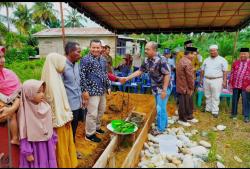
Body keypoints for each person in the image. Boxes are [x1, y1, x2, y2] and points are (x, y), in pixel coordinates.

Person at [120, 41, 171, 135]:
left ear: (154, 50)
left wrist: (164, 90)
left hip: (163, 88)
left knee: (160, 108)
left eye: (148, 49)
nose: (146, 51)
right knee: (160, 107)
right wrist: (127, 78)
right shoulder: (147, 60)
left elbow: (167, 74)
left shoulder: (161, 60)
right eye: (146, 49)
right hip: (155, 88)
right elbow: (140, 71)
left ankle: (160, 129)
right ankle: (164, 124)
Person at [41, 53, 78, 168]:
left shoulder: (55, 76)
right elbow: (56, 105)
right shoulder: (52, 83)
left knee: (65, 145)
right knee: (61, 148)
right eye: (62, 63)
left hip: (62, 119)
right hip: (59, 123)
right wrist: (65, 118)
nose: (64, 66)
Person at [18, 80, 57, 168]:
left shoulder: (45, 106)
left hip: (47, 145)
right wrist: (27, 152)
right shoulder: (24, 111)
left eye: (42, 91)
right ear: (29, 94)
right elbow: (23, 133)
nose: (42, 94)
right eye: (38, 92)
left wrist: (53, 141)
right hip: (35, 147)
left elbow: (50, 125)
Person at [80, 39, 111, 143]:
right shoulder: (85, 59)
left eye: (98, 47)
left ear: (101, 48)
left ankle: (97, 128)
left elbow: (105, 74)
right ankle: (89, 134)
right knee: (92, 113)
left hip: (102, 89)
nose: (95, 49)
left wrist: (108, 86)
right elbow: (82, 76)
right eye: (93, 47)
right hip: (91, 90)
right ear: (90, 48)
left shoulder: (103, 59)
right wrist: (84, 91)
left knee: (101, 110)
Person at [62, 42, 85, 159]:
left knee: (74, 129)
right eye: (78, 52)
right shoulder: (61, 66)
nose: (80, 54)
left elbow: (78, 82)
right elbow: (59, 87)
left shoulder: (76, 64)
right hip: (68, 106)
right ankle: (68, 153)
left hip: (78, 103)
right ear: (70, 52)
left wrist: (82, 97)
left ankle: (71, 150)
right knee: (68, 131)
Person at [0, 46, 21, 167]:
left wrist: (13, 106)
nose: (2, 60)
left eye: (3, 57)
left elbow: (19, 89)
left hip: (10, 105)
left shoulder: (9, 73)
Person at [200, 45, 228, 118]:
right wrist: (201, 79)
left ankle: (215, 111)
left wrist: (224, 81)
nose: (212, 52)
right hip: (206, 79)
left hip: (217, 80)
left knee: (215, 96)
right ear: (209, 51)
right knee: (207, 95)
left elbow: (225, 72)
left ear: (217, 51)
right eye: (211, 51)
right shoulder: (206, 59)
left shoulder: (222, 60)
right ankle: (208, 109)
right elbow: (202, 70)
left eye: (214, 50)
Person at [176, 47, 199, 126]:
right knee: (183, 103)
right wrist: (192, 87)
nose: (194, 56)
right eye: (193, 54)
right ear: (189, 54)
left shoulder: (181, 60)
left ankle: (189, 116)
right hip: (185, 87)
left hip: (182, 85)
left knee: (188, 102)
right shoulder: (187, 62)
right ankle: (182, 119)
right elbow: (190, 77)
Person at [229, 48, 250, 122]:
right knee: (234, 99)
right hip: (236, 85)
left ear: (248, 54)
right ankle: (233, 113)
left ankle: (246, 116)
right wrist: (231, 83)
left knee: (246, 100)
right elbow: (232, 73)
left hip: (246, 86)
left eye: (245, 53)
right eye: (241, 54)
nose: (243, 55)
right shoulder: (236, 62)